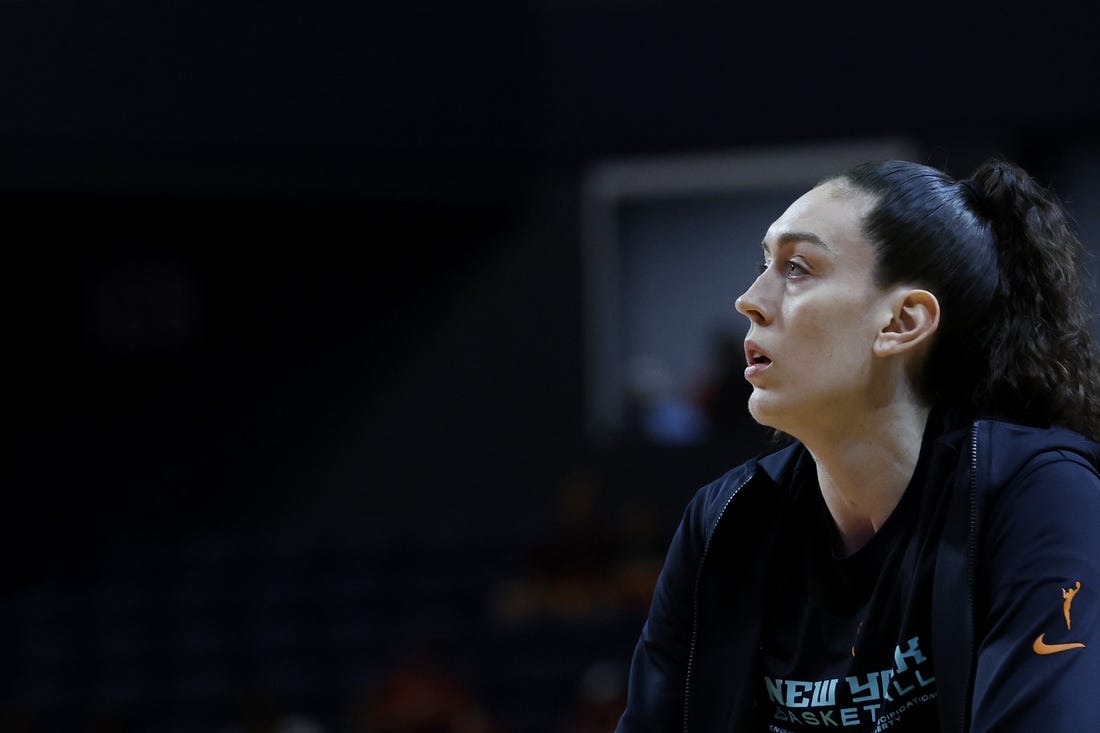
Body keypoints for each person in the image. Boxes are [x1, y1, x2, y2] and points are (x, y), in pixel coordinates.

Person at [615, 158, 1100, 732]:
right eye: (763, 265)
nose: (748, 299)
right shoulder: (722, 523)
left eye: (796, 268)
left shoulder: (1040, 495)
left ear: (902, 322)